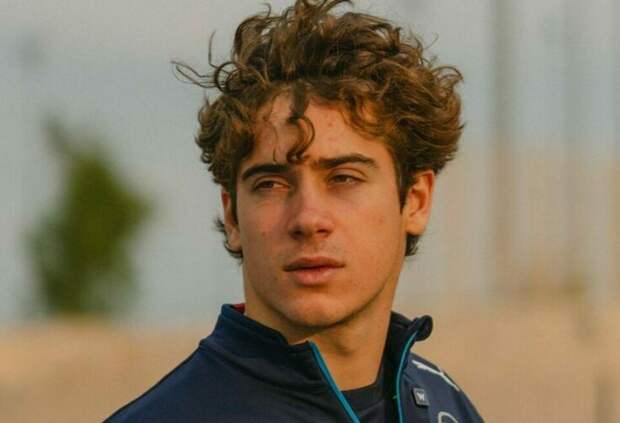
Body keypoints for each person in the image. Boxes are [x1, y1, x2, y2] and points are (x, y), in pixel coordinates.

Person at [106, 0, 482, 421]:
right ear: (232, 217)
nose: (307, 219)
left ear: (415, 200)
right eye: (271, 184)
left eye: (344, 178)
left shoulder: (445, 407)